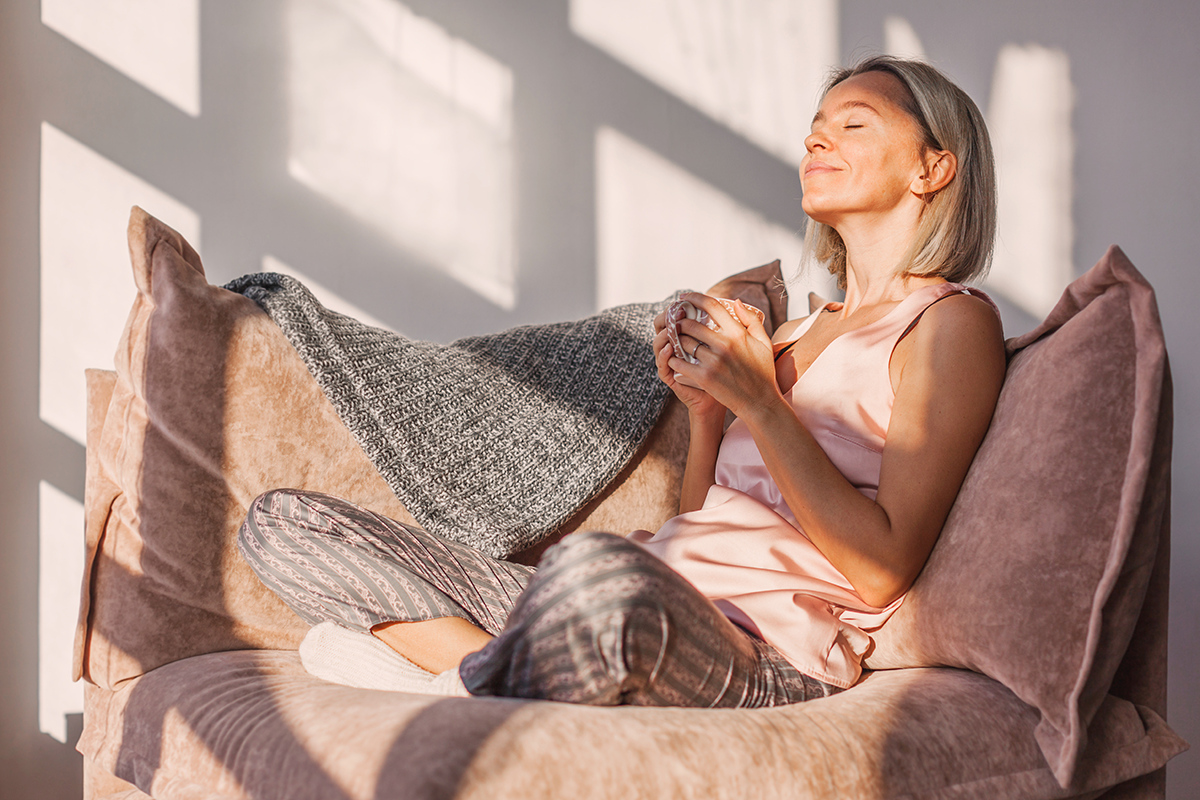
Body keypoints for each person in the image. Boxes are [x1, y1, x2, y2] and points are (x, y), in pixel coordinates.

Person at [238, 55, 1005, 707]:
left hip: (762, 651)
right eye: (816, 123)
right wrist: (709, 415)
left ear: (933, 166)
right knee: (282, 523)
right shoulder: (795, 332)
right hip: (646, 595)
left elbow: (881, 570)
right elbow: (707, 521)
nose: (816, 136)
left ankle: (466, 686)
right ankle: (504, 677)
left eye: (854, 123)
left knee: (594, 569)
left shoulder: (950, 324)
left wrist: (762, 404)